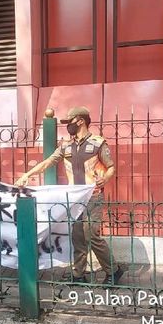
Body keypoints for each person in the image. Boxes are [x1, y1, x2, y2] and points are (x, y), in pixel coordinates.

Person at [15, 106, 123, 285]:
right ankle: (79, 273)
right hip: (75, 198)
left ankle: (113, 270)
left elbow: (110, 166)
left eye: (69, 122)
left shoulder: (97, 143)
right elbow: (48, 162)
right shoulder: (65, 145)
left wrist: (106, 178)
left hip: (93, 196)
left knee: (91, 235)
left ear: (80, 120)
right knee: (77, 236)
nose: (68, 126)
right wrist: (27, 175)